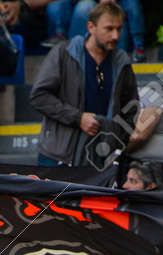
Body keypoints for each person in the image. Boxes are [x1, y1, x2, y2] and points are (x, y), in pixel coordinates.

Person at [30, 2, 138, 168]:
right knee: (55, 195)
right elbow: (39, 96)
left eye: (119, 29)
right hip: (58, 155)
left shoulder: (121, 61)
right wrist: (78, 118)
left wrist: (115, 139)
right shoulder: (64, 53)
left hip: (99, 158)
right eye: (109, 29)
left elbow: (131, 107)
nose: (115, 36)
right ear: (91, 27)